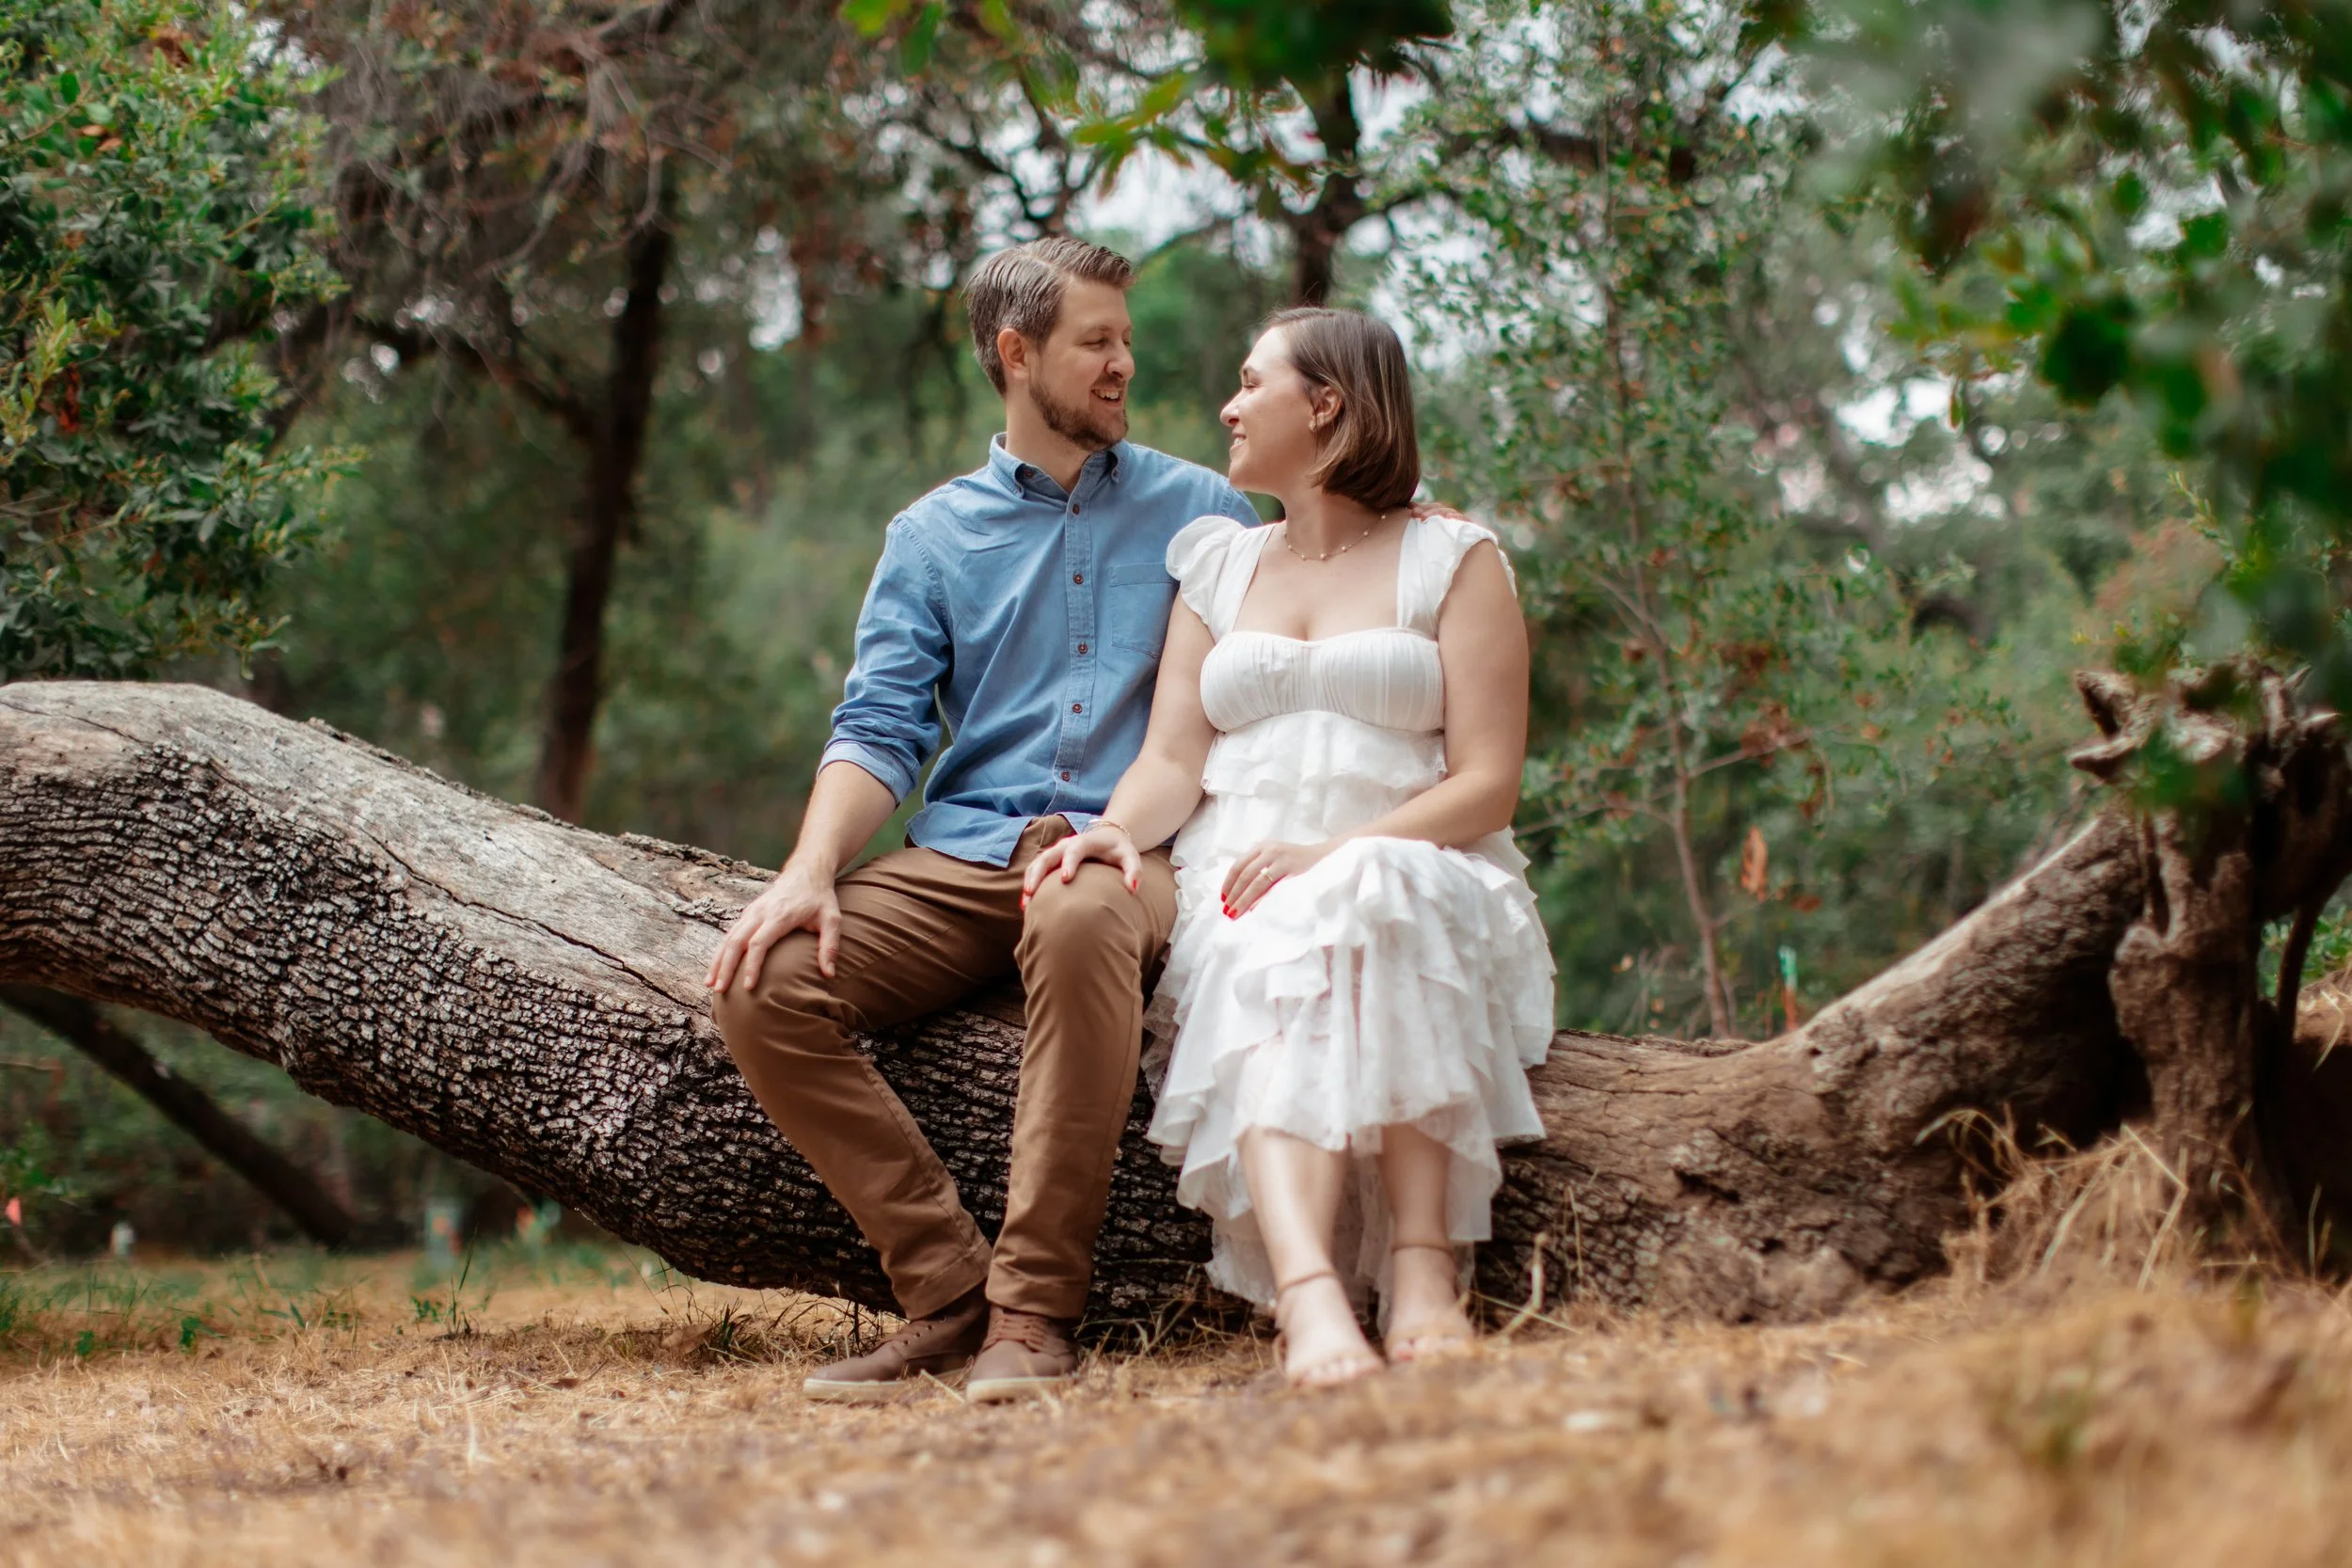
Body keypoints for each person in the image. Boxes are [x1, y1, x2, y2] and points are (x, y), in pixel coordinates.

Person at [705, 236, 1257, 1403]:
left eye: (1125, 338)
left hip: (1124, 848)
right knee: (764, 981)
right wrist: (810, 868)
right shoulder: (930, 536)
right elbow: (881, 725)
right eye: (1095, 341)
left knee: (1076, 915)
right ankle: (946, 1288)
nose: (1124, 363)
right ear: (1017, 354)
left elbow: (1311, 585)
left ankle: (1033, 1310)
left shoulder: (1202, 510)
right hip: (960, 850)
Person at [1025, 308, 1554, 1387]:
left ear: (1325, 404)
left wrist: (1341, 846)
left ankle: (1419, 1270)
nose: (1226, 403)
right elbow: (1175, 756)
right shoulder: (1219, 568)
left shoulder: (1455, 558)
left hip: (1419, 850)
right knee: (1267, 930)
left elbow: (1489, 781)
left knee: (1376, 884)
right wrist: (1116, 833)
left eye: (1249, 380)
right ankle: (1308, 1298)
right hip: (1247, 866)